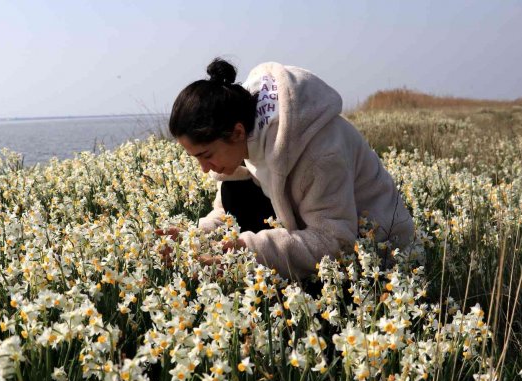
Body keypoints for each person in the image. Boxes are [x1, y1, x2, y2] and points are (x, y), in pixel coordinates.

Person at [163, 58, 414, 280]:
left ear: (237, 132)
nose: (205, 169)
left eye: (206, 156)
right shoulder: (243, 134)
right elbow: (226, 212)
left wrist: (246, 252)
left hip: (377, 254)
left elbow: (336, 242)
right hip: (319, 232)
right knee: (234, 189)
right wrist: (192, 238)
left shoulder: (319, 153)